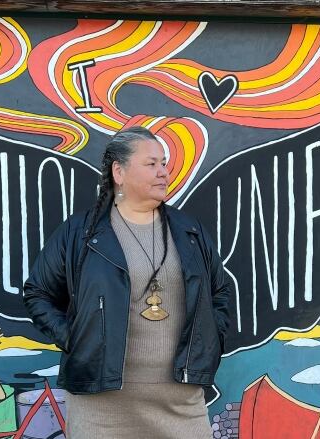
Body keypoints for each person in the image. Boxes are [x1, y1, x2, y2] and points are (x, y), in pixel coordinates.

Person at [23, 126, 233, 438]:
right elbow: (37, 293)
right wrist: (76, 340)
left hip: (180, 404)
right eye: (151, 164)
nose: (163, 172)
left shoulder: (189, 232)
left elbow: (220, 291)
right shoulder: (79, 233)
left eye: (164, 163)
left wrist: (209, 336)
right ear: (119, 172)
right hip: (101, 407)